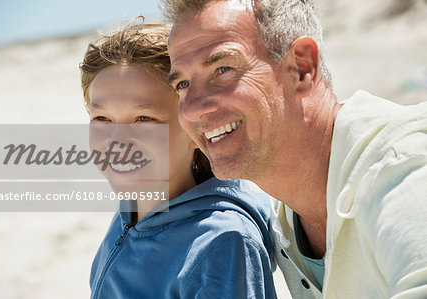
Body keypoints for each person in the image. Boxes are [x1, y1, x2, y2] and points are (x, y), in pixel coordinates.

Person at [161, 0, 427, 298]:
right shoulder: (284, 217)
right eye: (182, 85)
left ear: (302, 67)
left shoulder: (405, 171)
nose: (194, 109)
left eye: (223, 69)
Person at [79, 19, 278, 299]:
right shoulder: (131, 210)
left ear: (196, 126)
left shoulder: (221, 242)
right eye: (102, 118)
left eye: (144, 119)